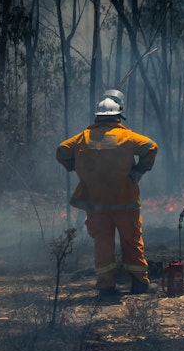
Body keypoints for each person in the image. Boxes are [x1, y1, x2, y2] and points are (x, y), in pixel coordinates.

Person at [56, 89, 158, 299]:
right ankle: (139, 284)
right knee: (132, 242)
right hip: (125, 202)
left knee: (103, 245)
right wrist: (138, 171)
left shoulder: (83, 138)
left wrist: (77, 167)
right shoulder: (127, 136)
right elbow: (151, 146)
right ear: (119, 116)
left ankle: (106, 287)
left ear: (97, 117)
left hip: (97, 205)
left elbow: (62, 150)